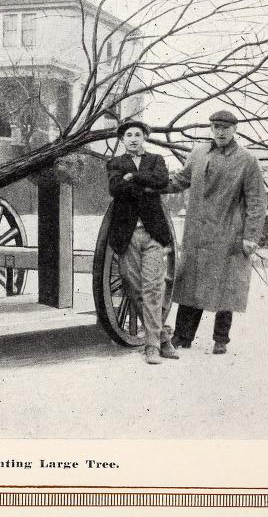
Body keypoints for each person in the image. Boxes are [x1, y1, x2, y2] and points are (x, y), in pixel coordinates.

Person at [166, 110, 266, 354]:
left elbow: (256, 200)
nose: (220, 132)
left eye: (225, 128)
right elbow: (180, 180)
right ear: (211, 129)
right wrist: (152, 183)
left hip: (229, 232)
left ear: (235, 130)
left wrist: (251, 236)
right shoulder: (198, 153)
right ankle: (182, 336)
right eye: (216, 128)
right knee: (190, 281)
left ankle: (221, 339)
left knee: (227, 286)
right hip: (197, 232)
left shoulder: (246, 160)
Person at [106, 120, 177, 365]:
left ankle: (152, 347)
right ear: (122, 140)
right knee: (134, 287)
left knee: (153, 288)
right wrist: (144, 186)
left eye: (138, 134)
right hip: (128, 235)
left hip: (154, 234)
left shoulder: (156, 159)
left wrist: (133, 177)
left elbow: (162, 181)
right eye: (128, 135)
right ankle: (164, 335)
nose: (133, 138)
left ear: (144, 138)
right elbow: (115, 188)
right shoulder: (115, 163)